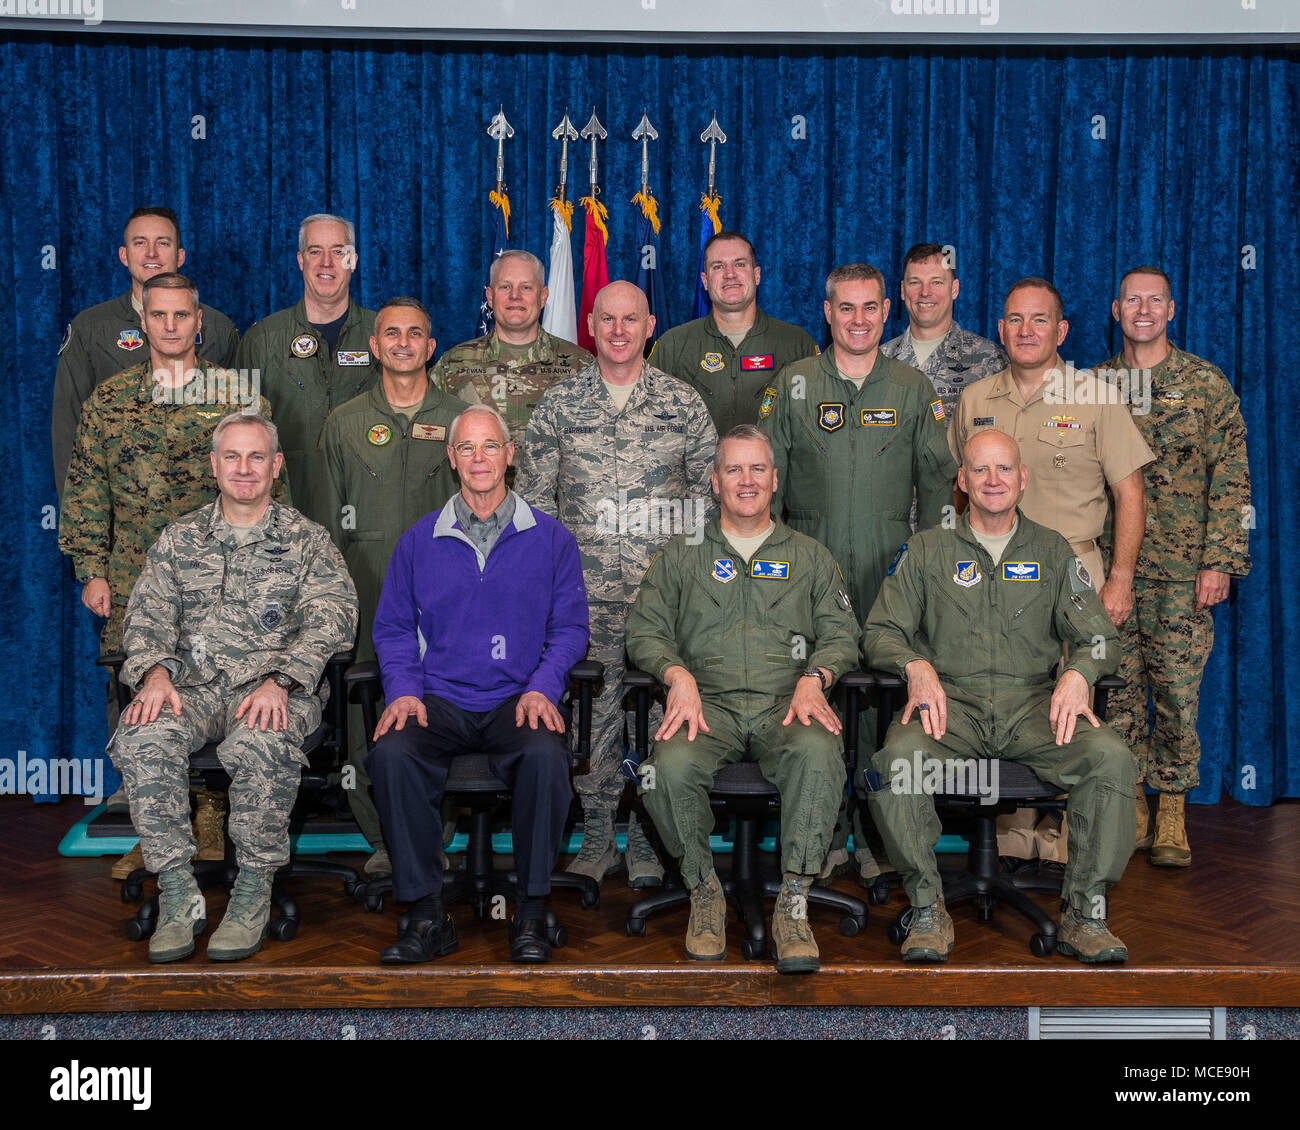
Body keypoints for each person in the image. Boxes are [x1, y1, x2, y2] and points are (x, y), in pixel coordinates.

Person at [863, 429, 1135, 964]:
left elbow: (1100, 637)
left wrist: (1080, 671)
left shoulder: (1052, 551)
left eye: (1005, 469)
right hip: (951, 707)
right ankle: (926, 908)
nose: (993, 481)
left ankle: (1084, 915)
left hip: (1033, 707)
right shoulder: (927, 549)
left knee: (1111, 760)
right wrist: (914, 665)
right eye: (980, 470)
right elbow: (879, 632)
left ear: (1023, 478)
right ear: (961, 480)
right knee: (896, 764)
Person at [110, 412, 357, 963]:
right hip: (192, 690)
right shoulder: (179, 539)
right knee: (144, 734)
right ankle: (178, 893)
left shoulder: (306, 540)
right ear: (214, 466)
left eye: (256, 458)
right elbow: (147, 618)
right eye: (232, 457)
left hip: (273, 692)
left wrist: (281, 679)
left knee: (260, 742)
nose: (244, 469)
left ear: (276, 466)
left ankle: (251, 893)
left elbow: (333, 620)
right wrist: (153, 673)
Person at [59, 272, 277, 876]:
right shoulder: (111, 400)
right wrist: (91, 569)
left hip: (224, 581)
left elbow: (264, 487)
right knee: (142, 696)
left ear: (198, 320)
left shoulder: (238, 393)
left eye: (182, 316)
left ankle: (212, 826)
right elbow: (85, 489)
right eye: (159, 316)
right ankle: (156, 830)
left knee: (217, 690)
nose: (172, 326)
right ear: (144, 322)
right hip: (133, 577)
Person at [626, 425, 858, 971]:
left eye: (757, 469)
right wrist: (675, 671)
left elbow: (843, 633)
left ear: (775, 479)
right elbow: (644, 631)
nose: (746, 480)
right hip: (709, 708)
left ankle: (794, 902)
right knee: (667, 768)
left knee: (820, 755)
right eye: (734, 469)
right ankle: (704, 892)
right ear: (715, 481)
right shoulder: (682, 556)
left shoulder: (809, 557)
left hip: (789, 704)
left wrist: (817, 676)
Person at [366, 405, 589, 965]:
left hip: (516, 699)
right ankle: (425, 914)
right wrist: (403, 692)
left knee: (545, 755)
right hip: (438, 699)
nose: (479, 458)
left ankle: (533, 910)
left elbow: (570, 629)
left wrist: (543, 685)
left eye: (491, 446)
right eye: (467, 448)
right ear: (451, 458)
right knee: (392, 754)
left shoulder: (551, 539)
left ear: (510, 455)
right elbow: (392, 628)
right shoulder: (419, 541)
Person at [759, 262, 957, 883]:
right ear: (827, 312)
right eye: (846, 308)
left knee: (880, 703)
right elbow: (764, 493)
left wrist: (929, 580)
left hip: (888, 572)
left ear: (885, 312)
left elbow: (939, 493)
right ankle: (814, 836)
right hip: (805, 575)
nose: (859, 320)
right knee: (805, 695)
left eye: (871, 308)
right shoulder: (793, 385)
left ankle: (875, 834)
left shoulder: (912, 389)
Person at [517, 280, 717, 889]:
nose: (620, 330)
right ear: (591, 324)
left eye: (631, 320)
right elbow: (533, 505)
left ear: (650, 324)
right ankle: (600, 833)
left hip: (666, 602)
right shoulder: (558, 405)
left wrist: (692, 582)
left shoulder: (683, 404)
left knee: (663, 721)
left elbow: (713, 502)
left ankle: (652, 841)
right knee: (593, 719)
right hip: (585, 599)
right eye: (608, 320)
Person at [949, 278, 1154, 864]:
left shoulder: (1096, 396)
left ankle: (1066, 843)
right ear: (1001, 328)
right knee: (1009, 697)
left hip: (1075, 573)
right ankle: (1011, 835)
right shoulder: (976, 399)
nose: (1026, 331)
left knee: (1073, 702)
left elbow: (1130, 493)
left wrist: (1118, 579)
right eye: (1014, 320)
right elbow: (959, 491)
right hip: (991, 575)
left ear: (1061, 331)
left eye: (1039, 320)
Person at [1094, 265, 1251, 866]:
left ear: (1172, 309)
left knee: (1178, 695)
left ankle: (1173, 814)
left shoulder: (1205, 384)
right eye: (1131, 299)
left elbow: (1232, 479)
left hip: (1184, 575)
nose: (1142, 309)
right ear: (1115, 309)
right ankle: (1130, 804)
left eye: (1153, 300)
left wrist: (1220, 561)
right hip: (1111, 569)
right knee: (1119, 692)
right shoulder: (1092, 386)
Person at [320, 296, 463, 877]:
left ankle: (437, 834)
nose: (403, 343)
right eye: (391, 334)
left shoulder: (462, 420)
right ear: (373, 347)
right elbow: (327, 528)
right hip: (366, 593)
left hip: (450, 599)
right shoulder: (344, 423)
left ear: (431, 347)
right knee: (367, 711)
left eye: (416, 334)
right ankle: (383, 836)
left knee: (445, 709)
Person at [51, 207, 240, 498]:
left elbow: (240, 429)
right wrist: (79, 516)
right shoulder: (91, 329)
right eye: (140, 243)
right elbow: (68, 428)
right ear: (124, 255)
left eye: (163, 243)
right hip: (123, 508)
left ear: (180, 256)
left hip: (201, 512)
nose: (152, 253)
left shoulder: (218, 328)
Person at [236, 213, 379, 524]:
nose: (326, 263)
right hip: (284, 515)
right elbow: (240, 436)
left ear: (353, 261)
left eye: (338, 252)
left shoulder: (384, 336)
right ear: (301, 260)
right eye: (315, 251)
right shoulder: (262, 340)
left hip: (368, 511)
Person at [648, 232, 816, 434]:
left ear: (757, 275)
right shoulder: (673, 345)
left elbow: (814, 424)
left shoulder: (796, 344)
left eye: (739, 264)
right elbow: (649, 423)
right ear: (705, 281)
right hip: (699, 466)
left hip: (775, 466)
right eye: (718, 266)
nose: (730, 274)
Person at [432, 249, 592, 438]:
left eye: (526, 287)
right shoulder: (453, 364)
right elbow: (432, 434)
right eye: (505, 287)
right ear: (490, 297)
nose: (515, 296)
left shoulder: (581, 365)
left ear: (543, 296)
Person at [880, 242, 1007, 423]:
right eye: (915, 282)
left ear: (954, 288)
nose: (925, 292)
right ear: (902, 290)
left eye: (936, 282)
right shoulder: (880, 359)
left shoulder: (990, 359)